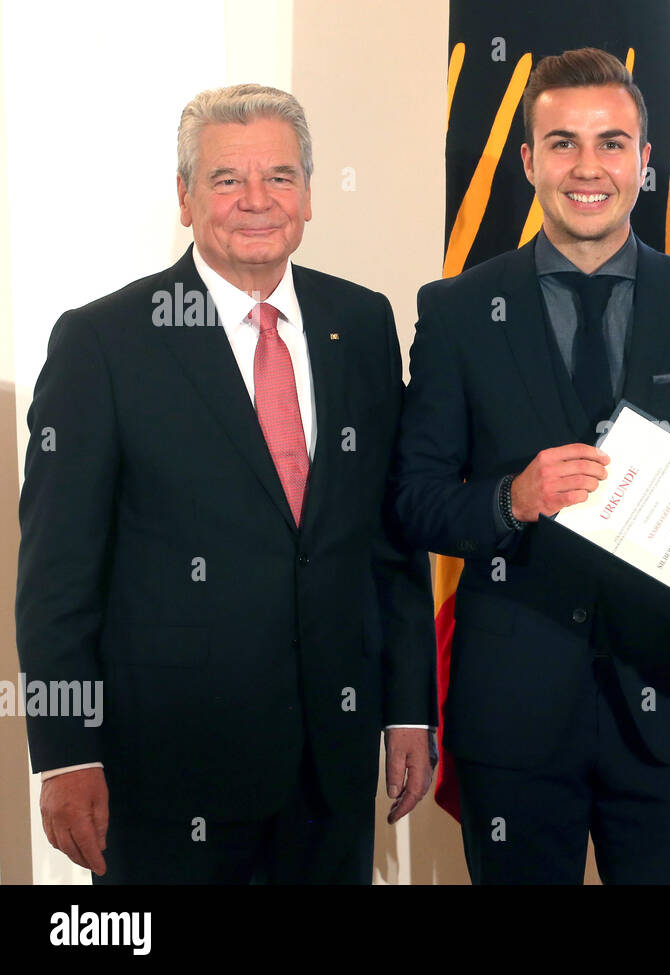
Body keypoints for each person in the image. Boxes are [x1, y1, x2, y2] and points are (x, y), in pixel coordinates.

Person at [16, 84, 436, 884]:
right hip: (165, 782)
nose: (256, 201)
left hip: (331, 776)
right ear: (184, 197)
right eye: (225, 180)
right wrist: (65, 753)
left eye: (279, 177)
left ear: (309, 195)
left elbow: (389, 541)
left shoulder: (365, 323)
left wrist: (408, 707)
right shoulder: (101, 343)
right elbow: (55, 578)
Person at [395, 47, 670, 884]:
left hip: (669, 700)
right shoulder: (456, 310)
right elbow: (414, 502)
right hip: (511, 709)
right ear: (529, 160)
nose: (588, 167)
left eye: (612, 143)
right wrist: (511, 498)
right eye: (563, 143)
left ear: (645, 162)